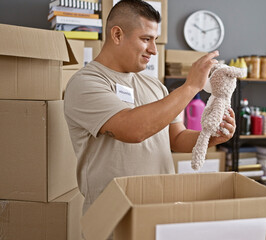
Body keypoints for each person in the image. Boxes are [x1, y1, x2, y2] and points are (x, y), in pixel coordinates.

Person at [64, 0, 235, 215]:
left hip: (162, 209)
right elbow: (133, 130)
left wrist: (211, 137)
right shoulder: (86, 83)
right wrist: (191, 86)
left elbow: (176, 138)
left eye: (155, 40)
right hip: (112, 215)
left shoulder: (154, 86)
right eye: (146, 39)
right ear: (117, 35)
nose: (153, 50)